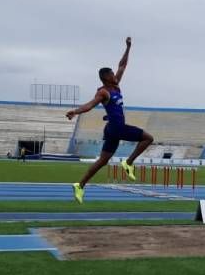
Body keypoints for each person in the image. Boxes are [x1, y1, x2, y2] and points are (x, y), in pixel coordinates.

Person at [65, 36, 155, 203]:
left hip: (112, 129)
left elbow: (122, 65)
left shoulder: (115, 86)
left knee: (103, 161)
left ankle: (80, 185)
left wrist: (128, 47)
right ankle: (128, 163)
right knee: (148, 138)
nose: (116, 74)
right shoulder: (103, 92)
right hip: (116, 128)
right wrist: (75, 111)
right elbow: (90, 105)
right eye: (112, 74)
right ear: (106, 77)